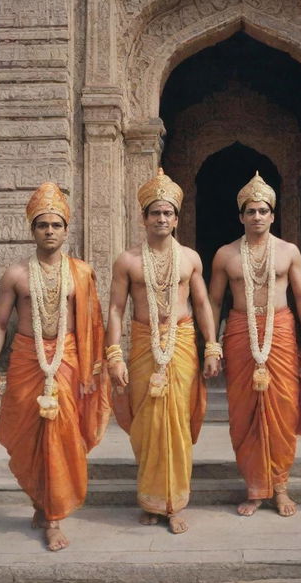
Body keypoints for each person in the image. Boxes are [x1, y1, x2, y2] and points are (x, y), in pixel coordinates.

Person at [0, 182, 111, 551]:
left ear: (67, 230)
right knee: (28, 439)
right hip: (27, 359)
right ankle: (42, 501)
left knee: (61, 436)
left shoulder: (81, 273)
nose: (49, 231)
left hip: (68, 360)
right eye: (42, 225)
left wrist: (93, 370)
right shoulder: (17, 273)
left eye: (56, 225)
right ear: (32, 230)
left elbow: (94, 325)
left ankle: (53, 517)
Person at [107, 168, 220, 534]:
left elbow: (202, 304)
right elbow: (116, 310)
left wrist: (212, 347)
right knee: (147, 423)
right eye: (155, 212)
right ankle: (151, 499)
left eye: (168, 213)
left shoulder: (189, 258)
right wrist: (114, 354)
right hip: (143, 344)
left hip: (183, 343)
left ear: (176, 218)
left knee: (177, 422)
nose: (161, 218)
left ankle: (175, 503)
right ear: (143, 218)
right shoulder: (127, 260)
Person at [209, 172, 301, 517]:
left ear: (273, 215)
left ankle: (281, 486)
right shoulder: (225, 255)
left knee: (283, 410)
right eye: (251, 211)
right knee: (244, 412)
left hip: (282, 331)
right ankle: (255, 488)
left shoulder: (288, 252)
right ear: (241, 216)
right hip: (241, 332)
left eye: (263, 211)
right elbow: (213, 302)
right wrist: (212, 346)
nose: (257, 216)